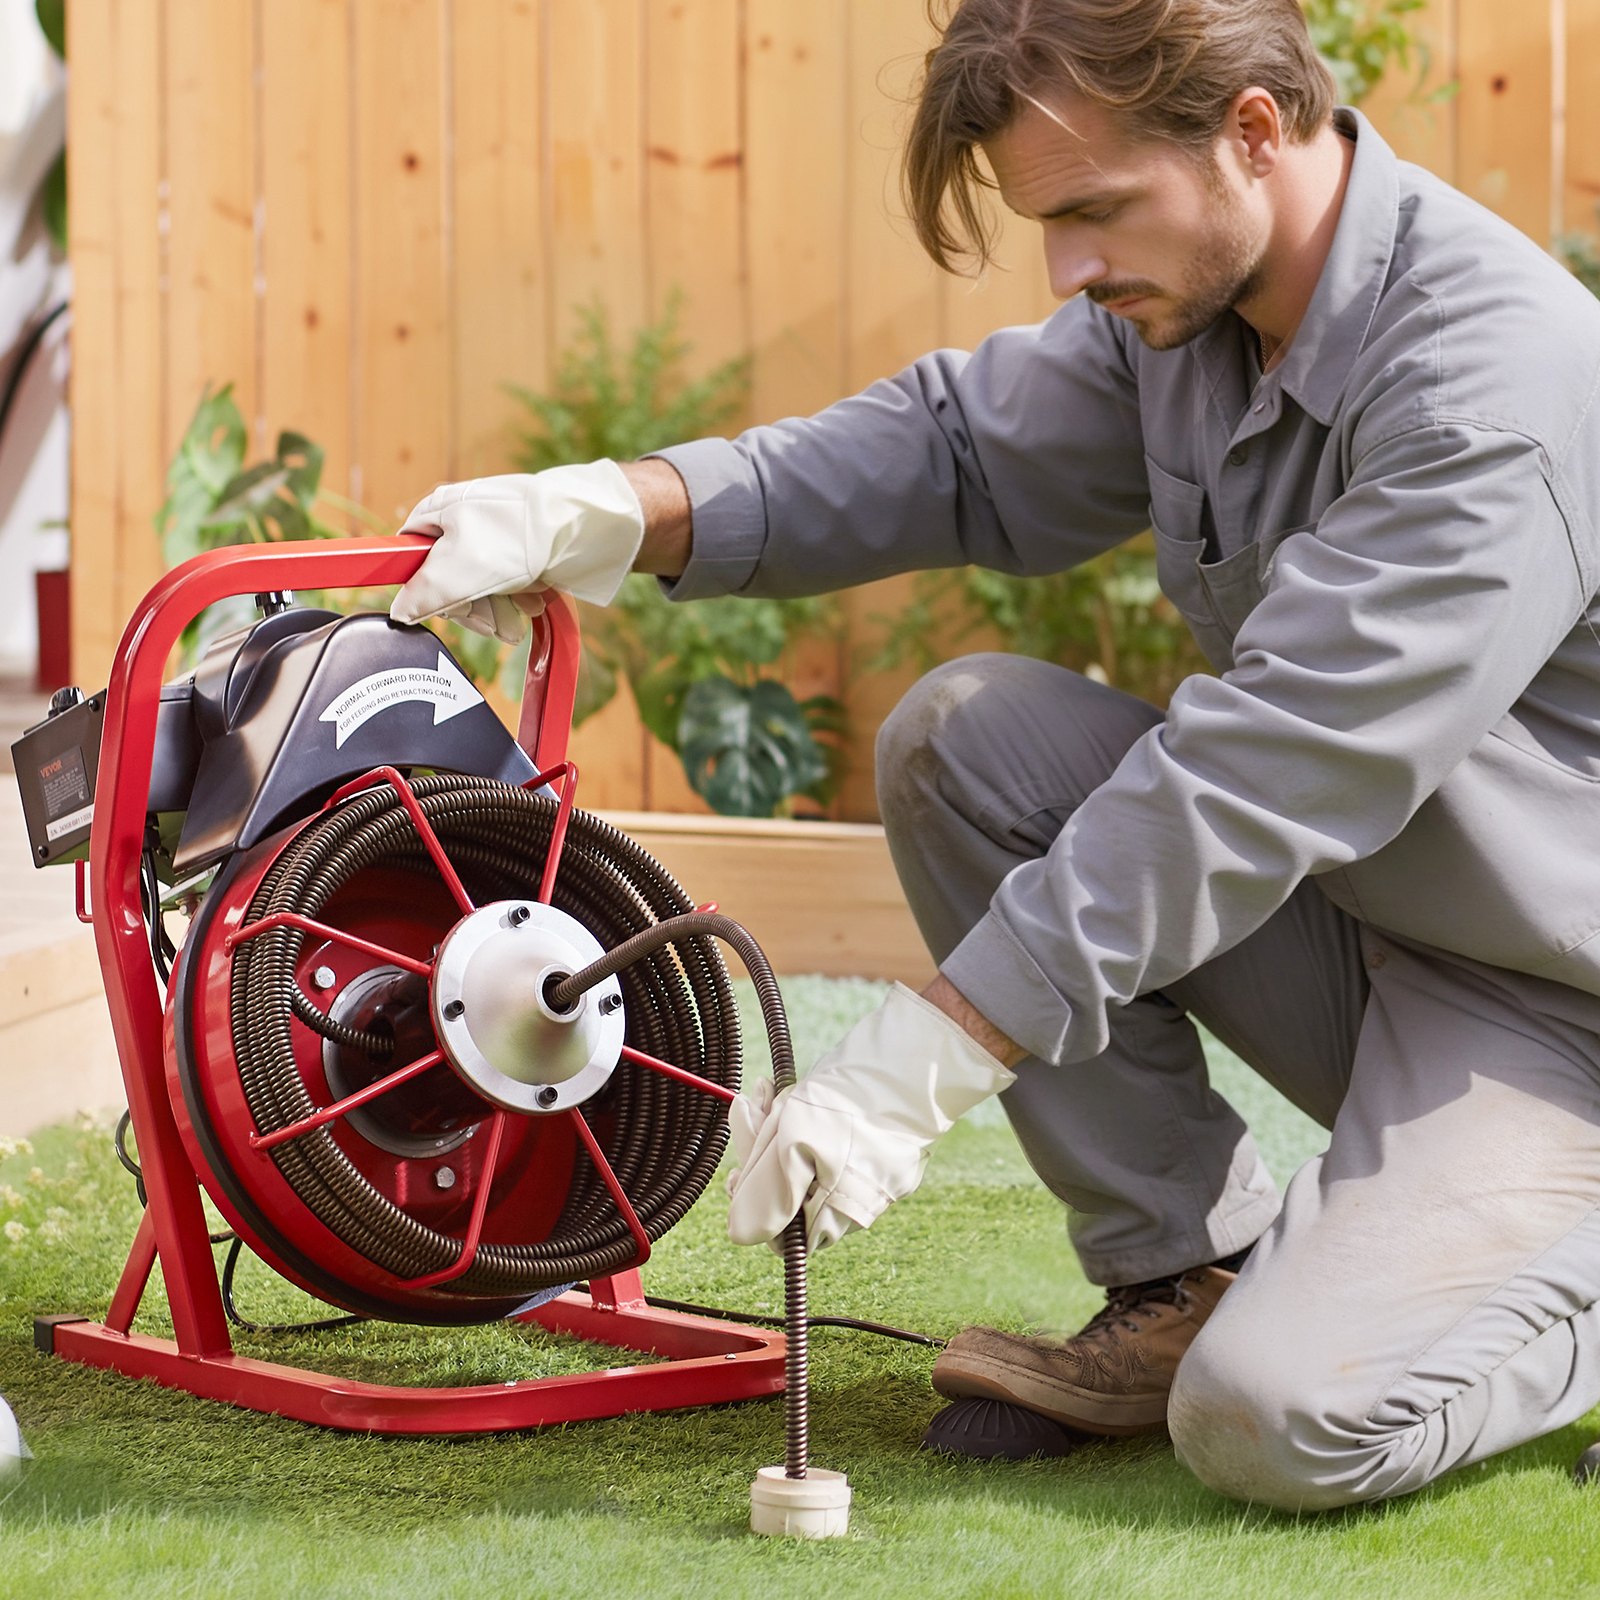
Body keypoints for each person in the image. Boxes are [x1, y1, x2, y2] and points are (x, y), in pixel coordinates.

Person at [389, 0, 1600, 1512]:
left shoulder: (1487, 382)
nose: (1069, 270)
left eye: (1094, 211)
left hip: (1560, 1014)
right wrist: (613, 512)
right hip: (1384, 925)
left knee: (1282, 1422)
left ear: (1252, 131)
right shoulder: (1201, 313)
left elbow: (1268, 771)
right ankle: (1189, 1273)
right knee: (971, 738)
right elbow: (957, 451)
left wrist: (927, 1059)